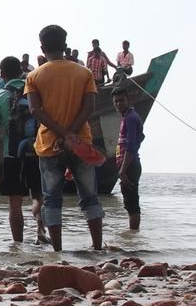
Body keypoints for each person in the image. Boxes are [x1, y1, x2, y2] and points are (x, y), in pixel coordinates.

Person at [25, 25, 105, 251]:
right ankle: (97, 247)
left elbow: (35, 111)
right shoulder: (84, 73)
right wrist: (71, 135)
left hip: (49, 145)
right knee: (90, 196)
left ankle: (57, 250)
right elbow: (89, 107)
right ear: (66, 45)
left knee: (52, 199)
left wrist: (61, 135)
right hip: (81, 144)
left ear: (42, 47)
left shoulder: (34, 76)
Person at [0, 56, 47, 244]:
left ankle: (18, 245)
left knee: (15, 204)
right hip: (38, 149)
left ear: (2, 74)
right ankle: (40, 228)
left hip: (12, 153)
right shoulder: (35, 90)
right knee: (38, 195)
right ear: (21, 71)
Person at [112, 88, 144, 231]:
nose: (119, 104)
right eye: (116, 101)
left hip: (129, 166)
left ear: (128, 100)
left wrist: (122, 171)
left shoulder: (131, 118)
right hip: (129, 165)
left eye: (121, 100)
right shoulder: (127, 117)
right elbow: (141, 137)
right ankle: (132, 238)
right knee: (129, 203)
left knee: (132, 205)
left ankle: (133, 238)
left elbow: (131, 146)